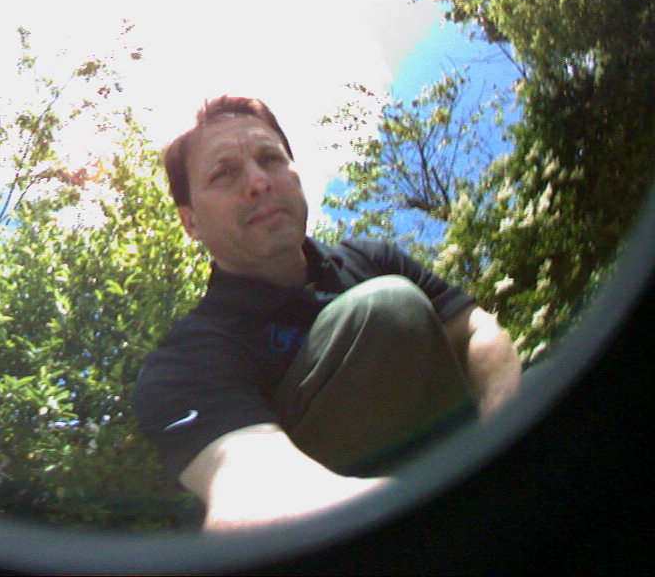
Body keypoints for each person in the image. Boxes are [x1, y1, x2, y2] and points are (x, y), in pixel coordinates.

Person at [132, 95, 521, 531]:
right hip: (345, 537)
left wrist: (503, 434)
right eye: (224, 173)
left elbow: (476, 330)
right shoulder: (187, 357)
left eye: (270, 159)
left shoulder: (371, 258)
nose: (259, 182)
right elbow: (250, 486)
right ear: (191, 223)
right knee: (387, 307)